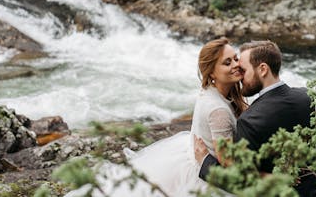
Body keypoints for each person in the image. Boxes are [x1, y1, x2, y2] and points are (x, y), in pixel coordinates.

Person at [65, 37, 247, 197]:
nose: (236, 65)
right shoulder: (218, 110)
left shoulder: (210, 91)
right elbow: (228, 165)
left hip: (191, 157)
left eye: (236, 58)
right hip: (207, 176)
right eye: (227, 62)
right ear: (212, 73)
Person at [195, 40, 316, 196]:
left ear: (263, 69)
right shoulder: (307, 97)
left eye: (243, 69)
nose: (240, 75)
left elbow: (241, 179)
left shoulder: (250, 121)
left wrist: (205, 164)